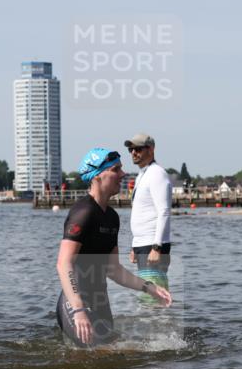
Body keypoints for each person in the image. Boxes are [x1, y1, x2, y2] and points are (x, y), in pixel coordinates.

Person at [56, 148, 173, 348]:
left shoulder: (112, 217)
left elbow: (113, 269)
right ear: (99, 176)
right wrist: (78, 309)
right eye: (116, 169)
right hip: (75, 302)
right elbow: (63, 262)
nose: (123, 174)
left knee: (108, 366)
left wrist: (149, 287)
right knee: (96, 361)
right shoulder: (83, 212)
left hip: (100, 302)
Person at [124, 133, 173, 297]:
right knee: (148, 295)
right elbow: (142, 212)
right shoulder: (142, 174)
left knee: (155, 297)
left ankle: (162, 322)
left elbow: (164, 211)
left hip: (153, 245)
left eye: (138, 149)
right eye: (131, 149)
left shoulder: (157, 174)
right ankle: (153, 322)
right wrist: (134, 245)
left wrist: (156, 247)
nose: (133, 153)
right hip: (143, 245)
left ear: (150, 149)